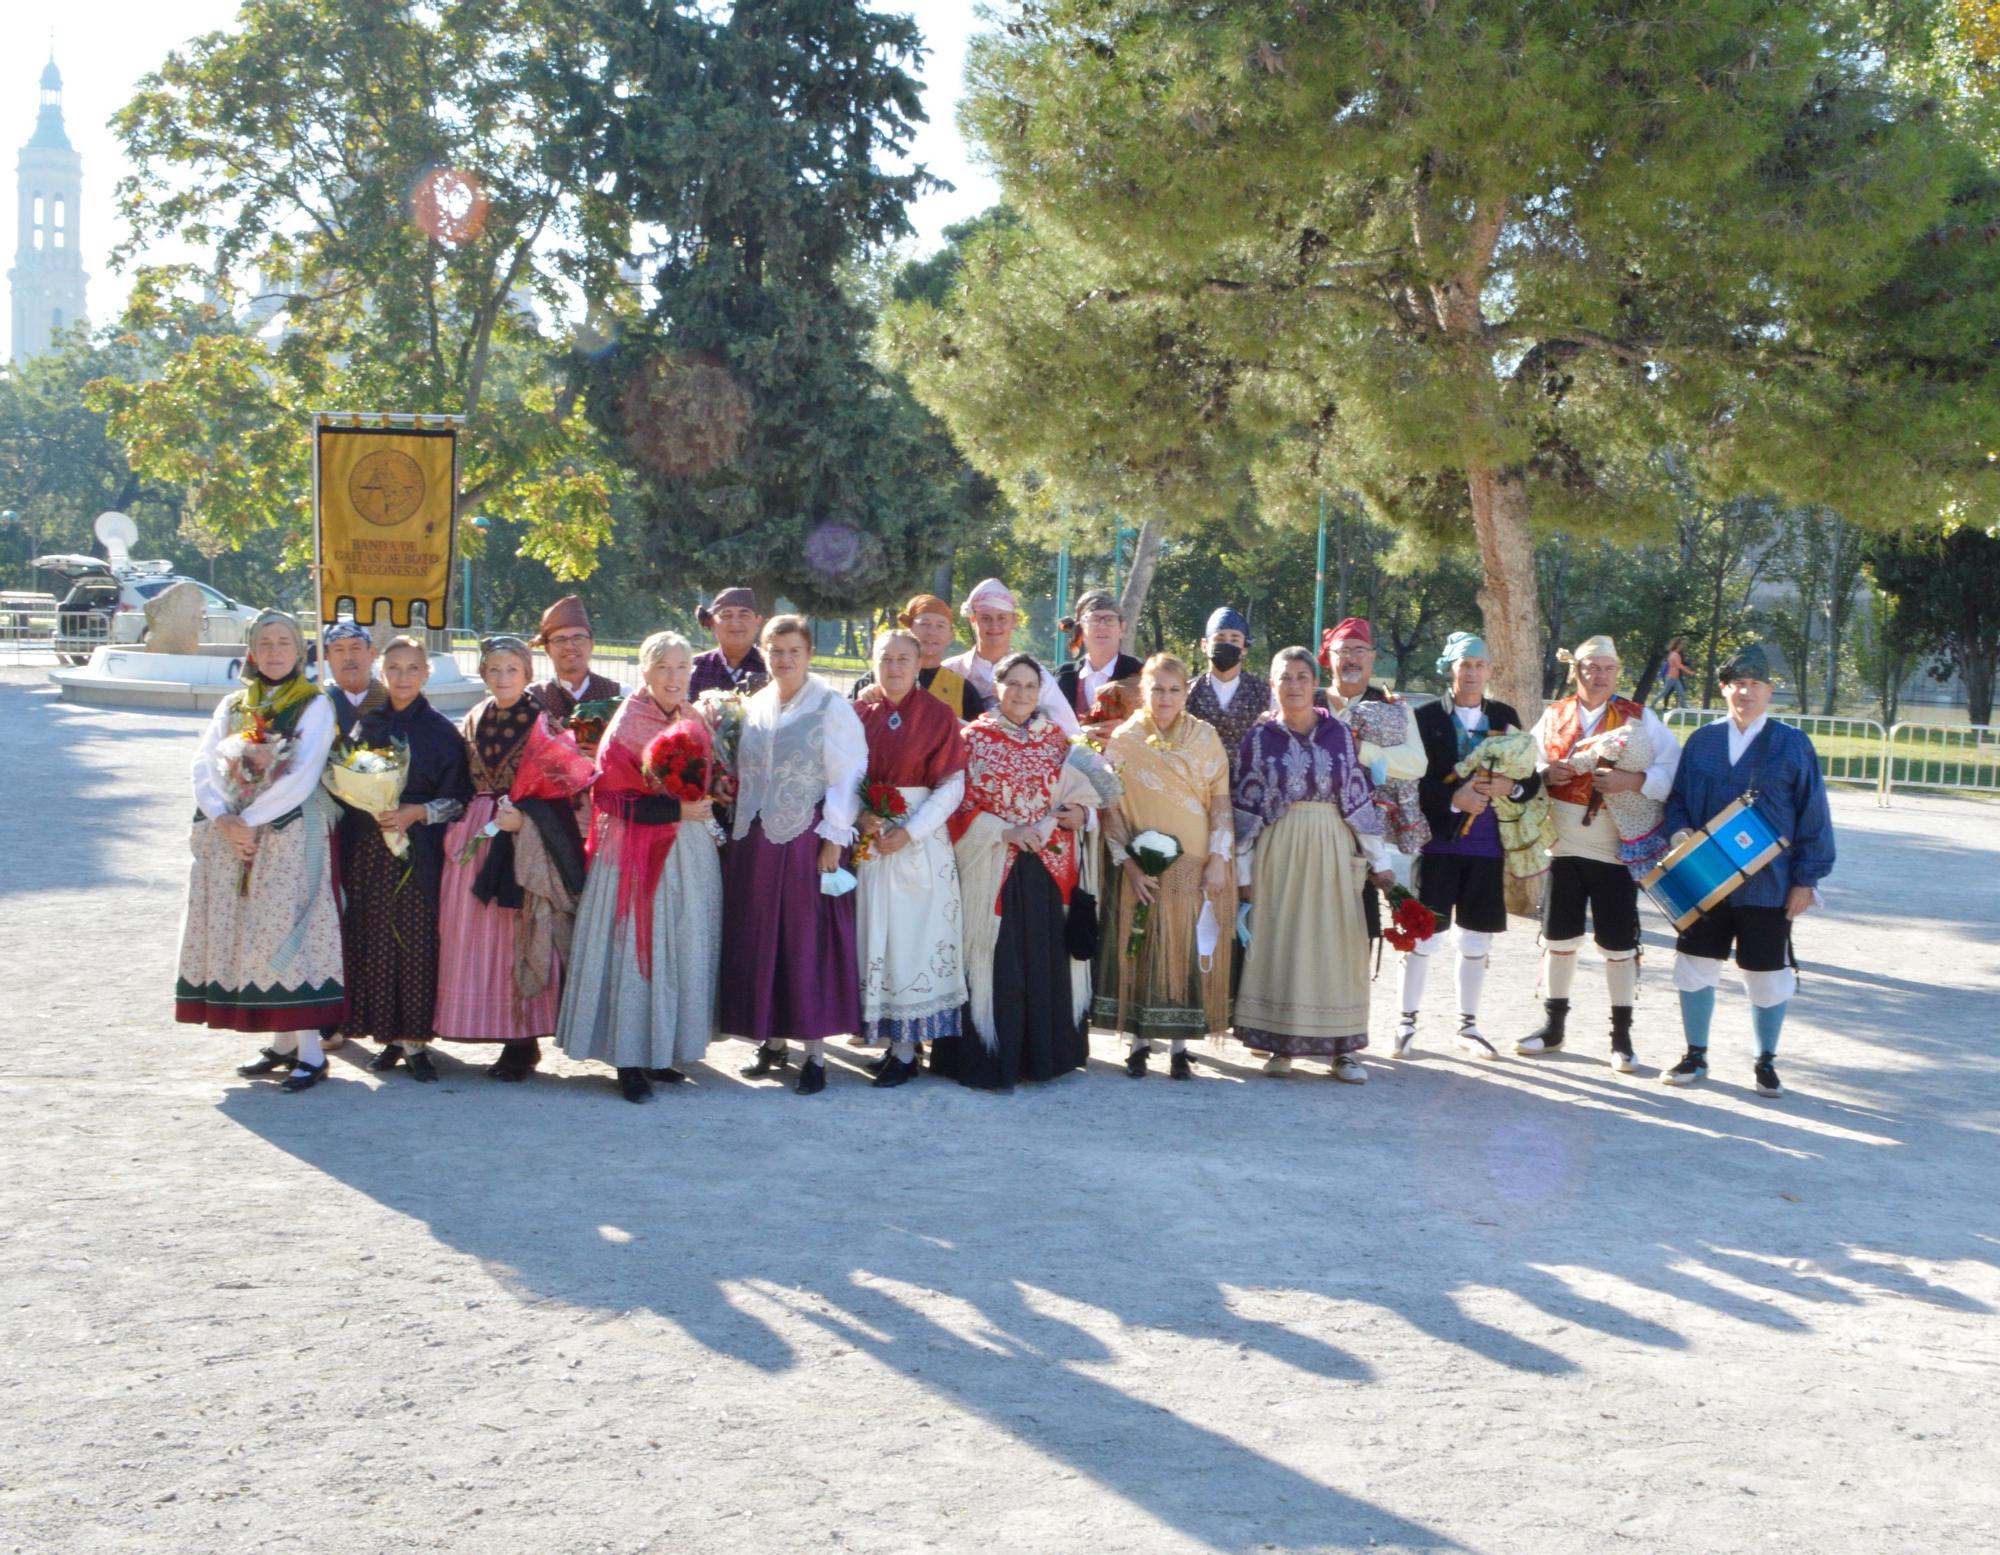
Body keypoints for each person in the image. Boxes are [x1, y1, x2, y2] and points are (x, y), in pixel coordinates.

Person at [177, 609, 347, 1092]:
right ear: (251, 652)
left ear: (300, 651)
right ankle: (282, 1042)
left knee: (287, 930)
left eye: (284, 642)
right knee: (249, 934)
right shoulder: (233, 703)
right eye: (265, 642)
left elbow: (303, 771)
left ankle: (312, 1052)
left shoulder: (314, 704)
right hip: (233, 833)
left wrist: (250, 821)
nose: (274, 651)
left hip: (288, 832)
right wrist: (223, 818)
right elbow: (205, 761)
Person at [556, 631, 722, 1102]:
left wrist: (715, 789)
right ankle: (628, 1059)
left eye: (682, 667)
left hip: (687, 848)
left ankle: (662, 1050)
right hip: (634, 850)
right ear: (645, 672)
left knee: (682, 943)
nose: (674, 677)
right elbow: (609, 796)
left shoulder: (692, 716)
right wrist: (673, 812)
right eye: (664, 667)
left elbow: (704, 774)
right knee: (633, 949)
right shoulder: (628, 721)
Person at [1661, 645, 1834, 1097]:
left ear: (1770, 691)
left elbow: (1813, 813)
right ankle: (1695, 1053)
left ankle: (1766, 1061)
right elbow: (1676, 800)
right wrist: (1680, 835)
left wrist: (1805, 880)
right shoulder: (1702, 741)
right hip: (1706, 878)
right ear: (1724, 689)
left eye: (1755, 684)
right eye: (1738, 683)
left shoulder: (1792, 744)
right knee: (1695, 964)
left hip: (1769, 883)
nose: (1746, 692)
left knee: (1765, 971)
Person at [1516, 635, 1679, 1070]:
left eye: (1608, 668)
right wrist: (1545, 773)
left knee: (1618, 942)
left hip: (1614, 844)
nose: (1600, 675)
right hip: (1563, 843)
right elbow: (1526, 762)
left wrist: (1633, 782)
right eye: (1591, 667)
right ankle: (1553, 1027)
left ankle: (1621, 1038)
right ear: (1578, 672)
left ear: (1617, 672)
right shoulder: (1554, 715)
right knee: (1559, 937)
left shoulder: (1639, 718)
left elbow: (1669, 766)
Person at [938, 652, 1100, 1090]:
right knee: (996, 959)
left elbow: (1085, 803)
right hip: (995, 866)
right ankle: (991, 1057)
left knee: (1044, 957)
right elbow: (958, 807)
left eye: (1031, 686)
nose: (1023, 694)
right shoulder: (972, 740)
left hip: (1048, 871)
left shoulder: (1058, 742)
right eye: (1014, 685)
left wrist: (1080, 816)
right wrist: (1005, 831)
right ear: (998, 686)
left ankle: (1045, 1057)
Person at [720, 615, 868, 1094]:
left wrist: (835, 835)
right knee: (764, 939)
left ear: (808, 654)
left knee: (805, 942)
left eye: (793, 651)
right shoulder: (757, 705)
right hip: (755, 843)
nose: (784, 659)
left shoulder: (830, 706)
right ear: (764, 653)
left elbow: (849, 773)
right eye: (775, 651)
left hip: (806, 838)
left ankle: (815, 1054)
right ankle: (773, 1041)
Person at [1232, 647, 1393, 1080]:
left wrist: (1380, 861)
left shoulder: (1338, 733)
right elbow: (1244, 810)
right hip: (1277, 849)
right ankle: (1278, 1045)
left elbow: (1357, 798)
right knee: (1279, 942)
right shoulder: (1258, 738)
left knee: (1335, 944)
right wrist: (1244, 878)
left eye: (1303, 676)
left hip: (1331, 848)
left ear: (1314, 682)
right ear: (1272, 684)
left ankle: (1343, 1050)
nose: (1295, 685)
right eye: (1285, 677)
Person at [433, 636, 586, 1081]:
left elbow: (565, 787)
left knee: (518, 930)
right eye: (495, 670)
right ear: (483, 675)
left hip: (521, 832)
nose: (503, 678)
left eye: (512, 670)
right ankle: (481, 1022)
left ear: (528, 675)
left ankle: (522, 1040)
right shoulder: (474, 717)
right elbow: (460, 776)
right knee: (476, 930)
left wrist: (528, 820)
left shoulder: (544, 722)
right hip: (478, 826)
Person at [336, 636, 474, 1083]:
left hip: (421, 850)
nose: (402, 677)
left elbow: (459, 798)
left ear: (425, 674)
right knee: (374, 936)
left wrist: (417, 812)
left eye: (412, 668)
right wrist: (370, 805)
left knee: (416, 940)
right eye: (393, 668)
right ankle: (388, 1038)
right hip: (373, 846)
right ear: (382, 673)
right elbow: (346, 780)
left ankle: (416, 1041)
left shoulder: (440, 730)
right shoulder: (368, 724)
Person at [1401, 631, 1541, 1059]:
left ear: (1490, 671)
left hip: (1486, 847)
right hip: (1439, 845)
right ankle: (1406, 1022)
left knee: (1477, 938)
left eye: (1480, 665)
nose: (1473, 673)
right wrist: (1451, 798)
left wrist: (1510, 787)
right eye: (1465, 665)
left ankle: (1468, 1025)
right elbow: (1409, 781)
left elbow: (1530, 778)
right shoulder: (1424, 717)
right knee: (1425, 936)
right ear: (1450, 669)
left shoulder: (1504, 715)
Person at [1096, 654, 1233, 1079]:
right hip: (1140, 865)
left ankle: (1178, 1048)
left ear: (1186, 691)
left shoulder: (1205, 737)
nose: (1165, 697)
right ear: (1143, 691)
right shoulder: (1124, 739)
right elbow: (1111, 809)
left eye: (1174, 689)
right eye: (1157, 689)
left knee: (1183, 952)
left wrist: (1218, 858)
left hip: (1191, 864)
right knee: (1138, 949)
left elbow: (1221, 801)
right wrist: (1128, 864)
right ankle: (1137, 1045)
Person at [852, 629, 970, 1086]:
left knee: (910, 942)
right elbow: (843, 774)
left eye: (904, 658)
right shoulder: (859, 713)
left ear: (919, 662)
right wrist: (859, 814)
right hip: (872, 841)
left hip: (917, 841)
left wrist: (911, 832)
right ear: (873, 661)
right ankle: (887, 1041)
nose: (895, 667)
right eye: (886, 658)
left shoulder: (939, 716)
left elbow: (953, 785)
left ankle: (907, 1051)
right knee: (875, 937)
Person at [940, 578, 1081, 735]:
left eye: (1002, 618)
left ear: (1014, 620)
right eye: (985, 618)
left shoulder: (1036, 674)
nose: (994, 626)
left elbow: (1069, 731)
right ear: (973, 619)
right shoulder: (950, 670)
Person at [848, 593, 984, 719]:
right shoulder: (877, 679)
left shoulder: (962, 690)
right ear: (909, 629)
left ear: (951, 636)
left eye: (940, 626)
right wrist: (863, 700)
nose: (931, 632)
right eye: (924, 624)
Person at [1184, 606, 1270, 783]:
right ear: (1204, 645)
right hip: (1199, 786)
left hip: (1250, 787)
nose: (1227, 644)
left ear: (1244, 647)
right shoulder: (1187, 692)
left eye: (1235, 639)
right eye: (1220, 638)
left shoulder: (1264, 692)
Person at [528, 595, 625, 733]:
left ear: (592, 644)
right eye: (560, 640)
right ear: (547, 650)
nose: (569, 646)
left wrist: (603, 750)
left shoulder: (621, 693)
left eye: (578, 638)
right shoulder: (531, 697)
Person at [1054, 588, 1143, 720]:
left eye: (1110, 620)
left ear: (1122, 628)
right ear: (1081, 628)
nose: (1102, 626)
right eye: (1094, 619)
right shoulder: (1061, 678)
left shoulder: (1141, 674)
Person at [688, 586, 770, 699]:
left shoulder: (772, 666)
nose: (735, 623)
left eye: (744, 615)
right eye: (726, 615)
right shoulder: (692, 669)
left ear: (758, 621)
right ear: (711, 622)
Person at [320, 620, 387, 736]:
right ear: (328, 658)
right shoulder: (319, 705)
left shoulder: (391, 702)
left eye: (355, 648)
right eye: (339, 649)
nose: (348, 657)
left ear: (372, 653)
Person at [1654, 637, 1689, 712]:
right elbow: (1679, 665)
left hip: (1676, 677)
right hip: (1671, 677)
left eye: (1684, 644)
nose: (1683, 645)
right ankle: (1653, 704)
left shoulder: (1678, 653)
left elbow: (1681, 664)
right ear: (1677, 644)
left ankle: (1685, 709)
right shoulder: (1674, 653)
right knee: (1665, 692)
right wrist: (1689, 671)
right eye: (1682, 644)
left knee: (1681, 693)